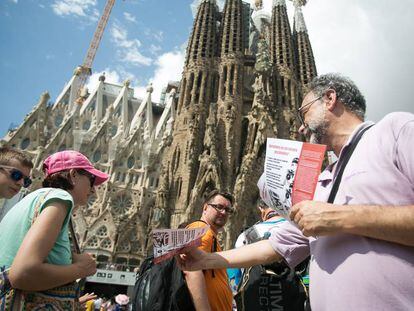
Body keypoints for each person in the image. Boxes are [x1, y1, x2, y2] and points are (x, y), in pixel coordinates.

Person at [178, 73, 414, 310]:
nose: (300, 126)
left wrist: (342, 218)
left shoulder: (394, 131)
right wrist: (205, 260)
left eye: (304, 113)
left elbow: (336, 220)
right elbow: (275, 246)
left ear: (330, 98)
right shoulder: (323, 182)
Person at [0, 150, 109, 303]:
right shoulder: (60, 198)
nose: (93, 190)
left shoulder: (34, 198)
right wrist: (80, 269)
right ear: (73, 175)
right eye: (91, 180)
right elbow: (23, 273)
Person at [185, 190, 234, 311]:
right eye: (219, 207)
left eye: (228, 210)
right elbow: (191, 270)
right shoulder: (201, 229)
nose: (223, 212)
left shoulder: (210, 235)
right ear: (205, 207)